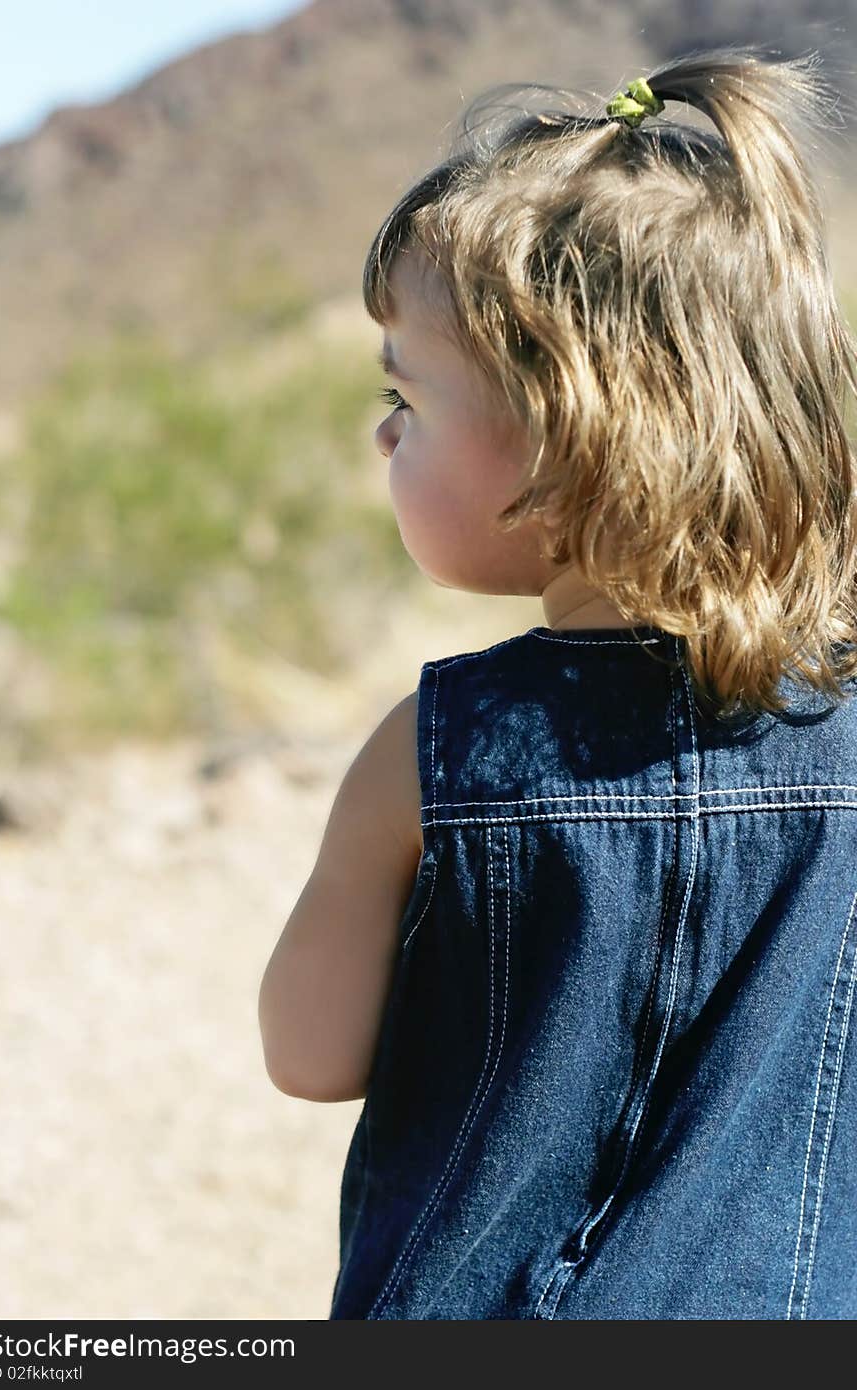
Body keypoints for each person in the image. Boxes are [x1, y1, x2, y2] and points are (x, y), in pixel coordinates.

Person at [257, 46, 857, 1319]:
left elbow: (307, 1056)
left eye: (404, 397)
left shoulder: (433, 751)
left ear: (573, 438)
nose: (381, 432)